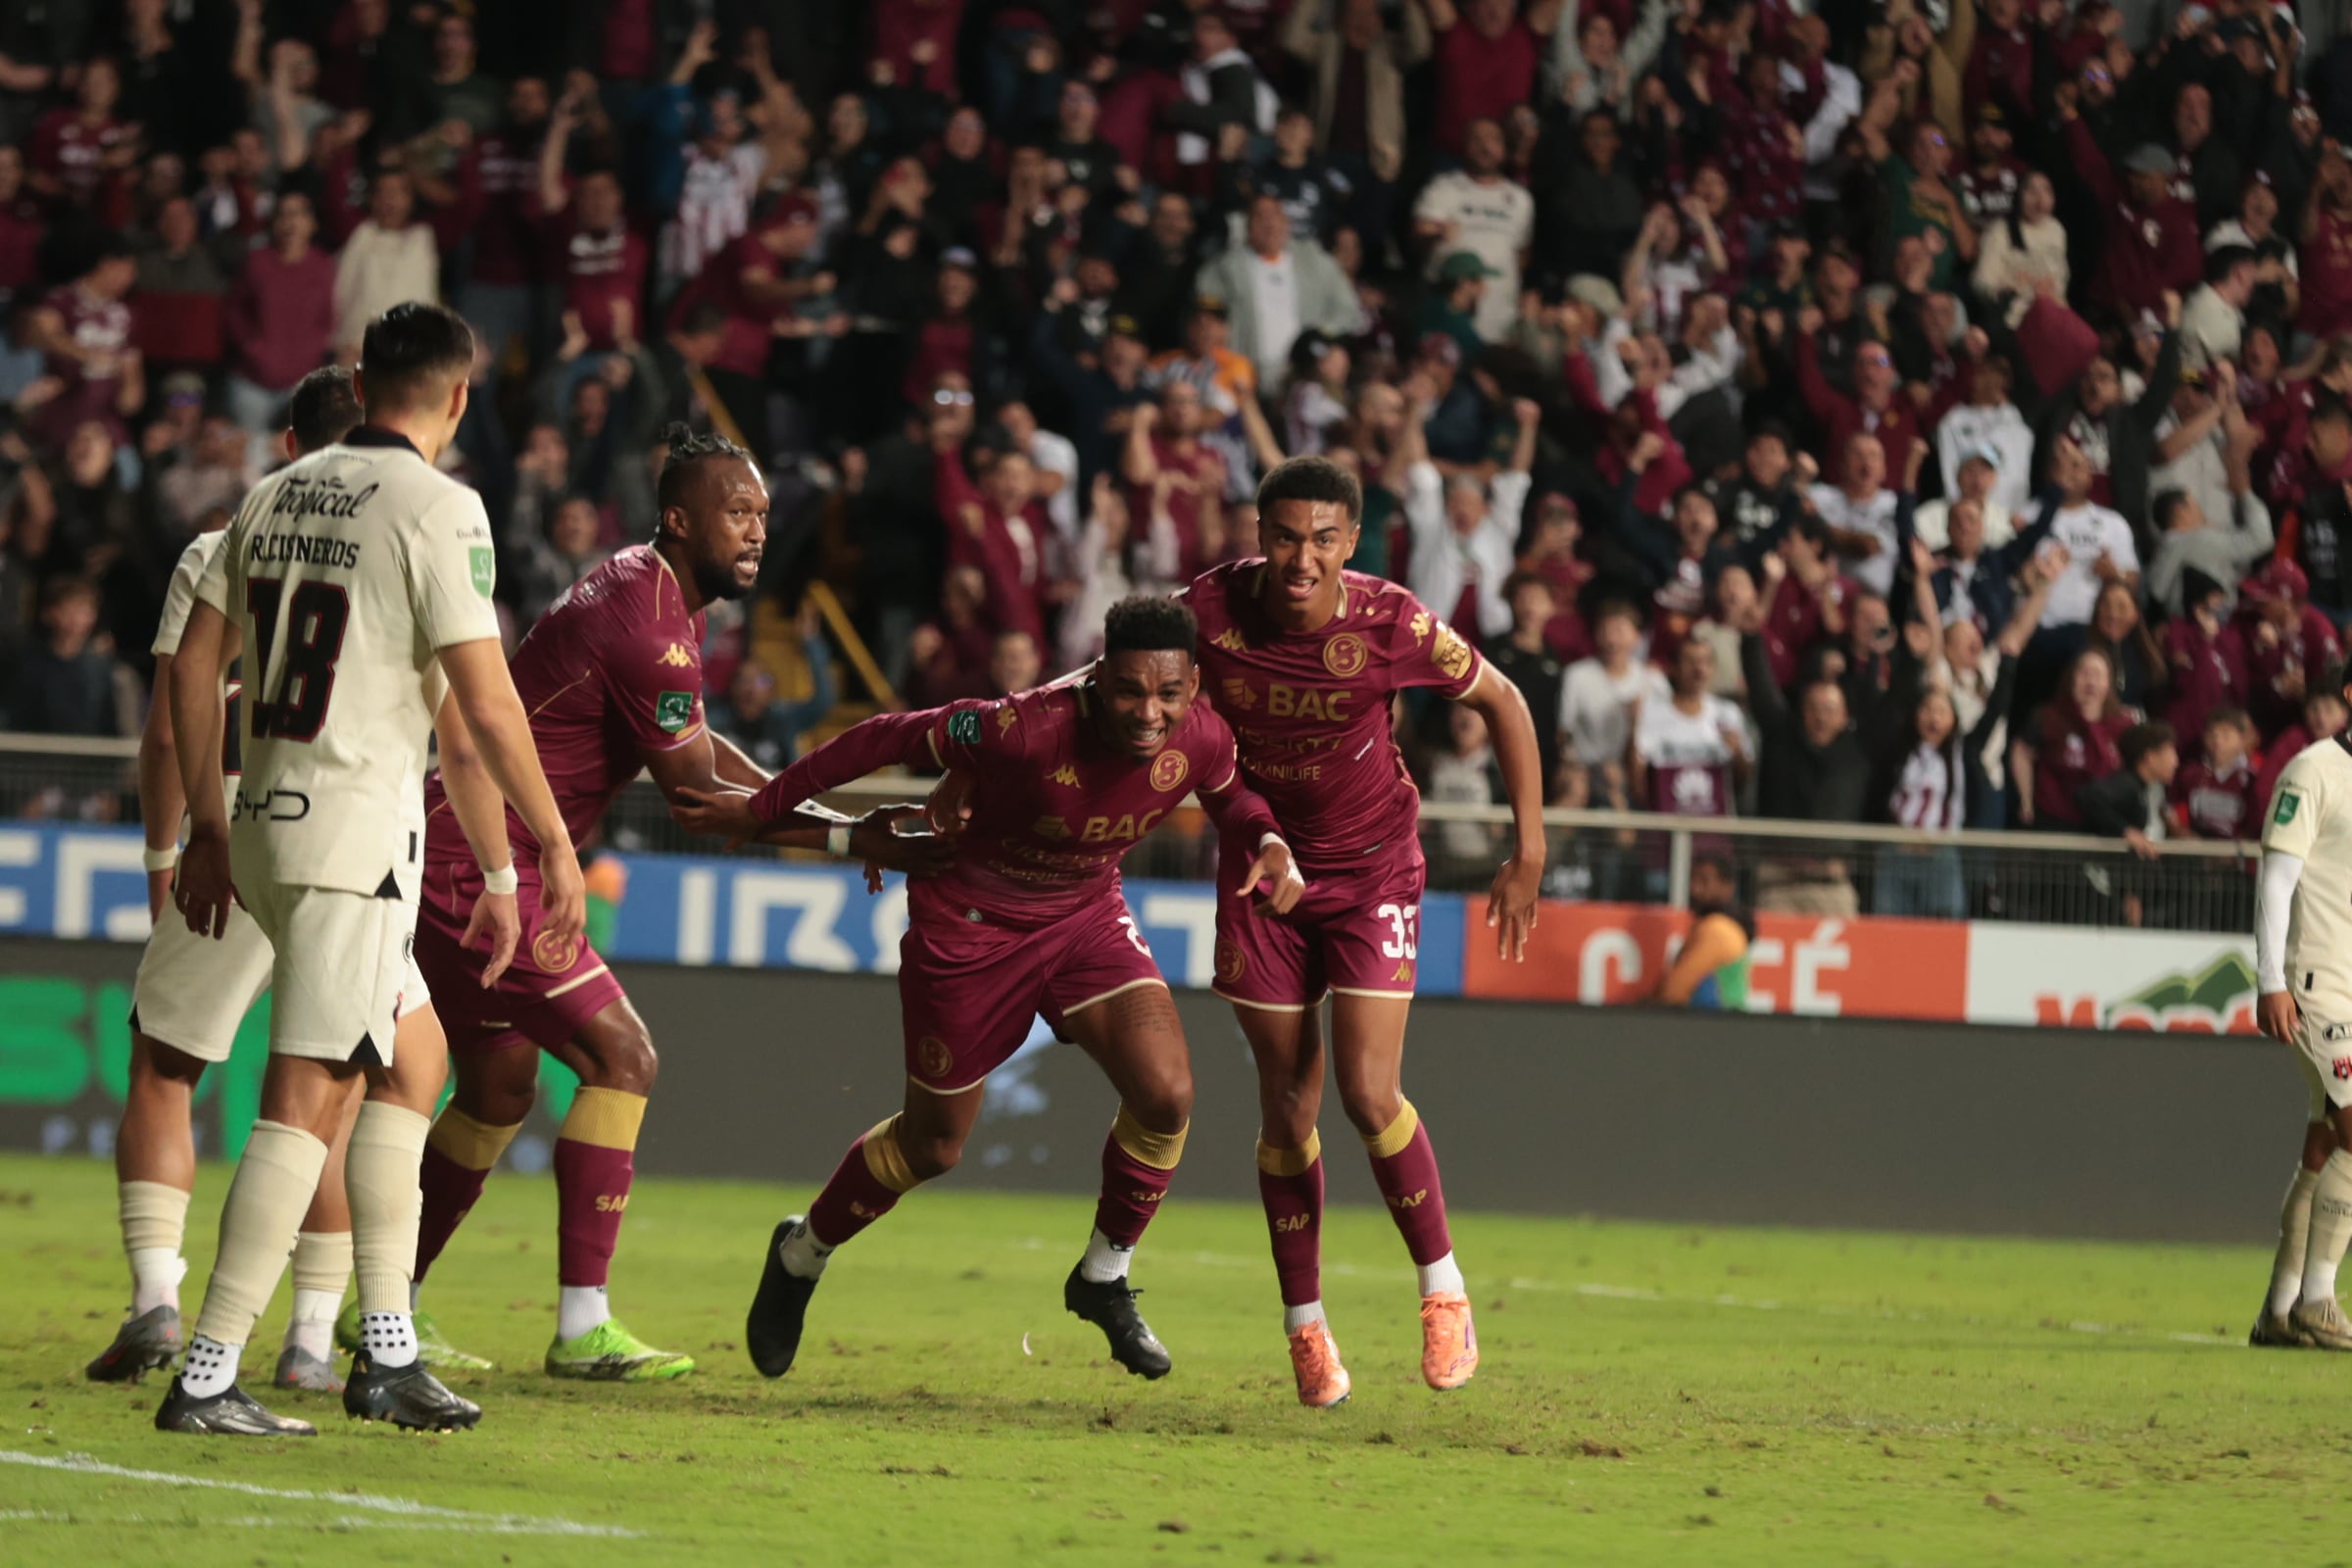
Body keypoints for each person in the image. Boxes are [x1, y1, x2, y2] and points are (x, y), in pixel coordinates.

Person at [403, 429, 938, 1383]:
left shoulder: (652, 596)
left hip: (471, 846)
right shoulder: (647, 623)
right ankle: (580, 1326)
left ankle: (382, 1306)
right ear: (680, 517)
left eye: (765, 515)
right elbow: (697, 795)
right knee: (625, 1055)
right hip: (482, 860)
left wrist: (824, 815)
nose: (757, 532)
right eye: (737, 512)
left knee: (497, 1090)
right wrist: (852, 836)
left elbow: (712, 754)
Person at [678, 596, 1298, 1382]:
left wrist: (1269, 839)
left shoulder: (1202, 737)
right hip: (969, 928)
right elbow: (883, 735)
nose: (1150, 713)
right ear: (1100, 677)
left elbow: (1234, 796)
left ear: (1193, 686)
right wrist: (762, 810)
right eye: (1131, 691)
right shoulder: (1022, 727)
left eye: (1169, 694)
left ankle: (1103, 1276)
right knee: (933, 1145)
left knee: (1168, 1093)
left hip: (1085, 920)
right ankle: (802, 1253)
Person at [159, 303, 583, 1437]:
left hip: (269, 823)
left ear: (359, 378)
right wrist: (549, 845)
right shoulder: (441, 508)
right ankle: (208, 1370)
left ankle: (384, 1348)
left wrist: (208, 821)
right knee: (311, 1099)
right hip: (353, 841)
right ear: (457, 395)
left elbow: (195, 669)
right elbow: (483, 706)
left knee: (410, 1061)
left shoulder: (273, 490)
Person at [1183, 455, 1546, 1407]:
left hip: (1371, 867)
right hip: (1264, 877)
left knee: (1367, 1090)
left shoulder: (1389, 621)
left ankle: (1444, 1290)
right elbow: (1126, 689)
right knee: (1287, 1107)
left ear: (1351, 542)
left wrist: (1531, 848)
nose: (1303, 557)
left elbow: (1502, 699)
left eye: (1324, 538)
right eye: (1286, 535)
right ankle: (1306, 1326)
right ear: (1260, 534)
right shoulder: (1206, 615)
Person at [87, 368, 385, 1394]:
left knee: (164, 1063)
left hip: (243, 826)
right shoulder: (412, 540)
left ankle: (157, 1301)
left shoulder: (226, 544)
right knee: (323, 1098)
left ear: (289, 437)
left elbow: (175, 721)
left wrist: (168, 853)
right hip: (362, 851)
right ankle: (313, 1339)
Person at [2251, 661, 2352, 1348]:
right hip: (2319, 979)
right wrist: (2269, 979)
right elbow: (2278, 874)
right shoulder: (2314, 768)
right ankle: (2320, 1298)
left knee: (2323, 1142)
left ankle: (2281, 1307)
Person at [1651, 857, 1752, 1009]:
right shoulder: (1721, 927)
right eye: (1692, 879)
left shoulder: (1717, 929)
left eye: (1704, 881)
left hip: (1716, 1025)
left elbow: (1674, 990)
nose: (1695, 889)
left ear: (1727, 887)